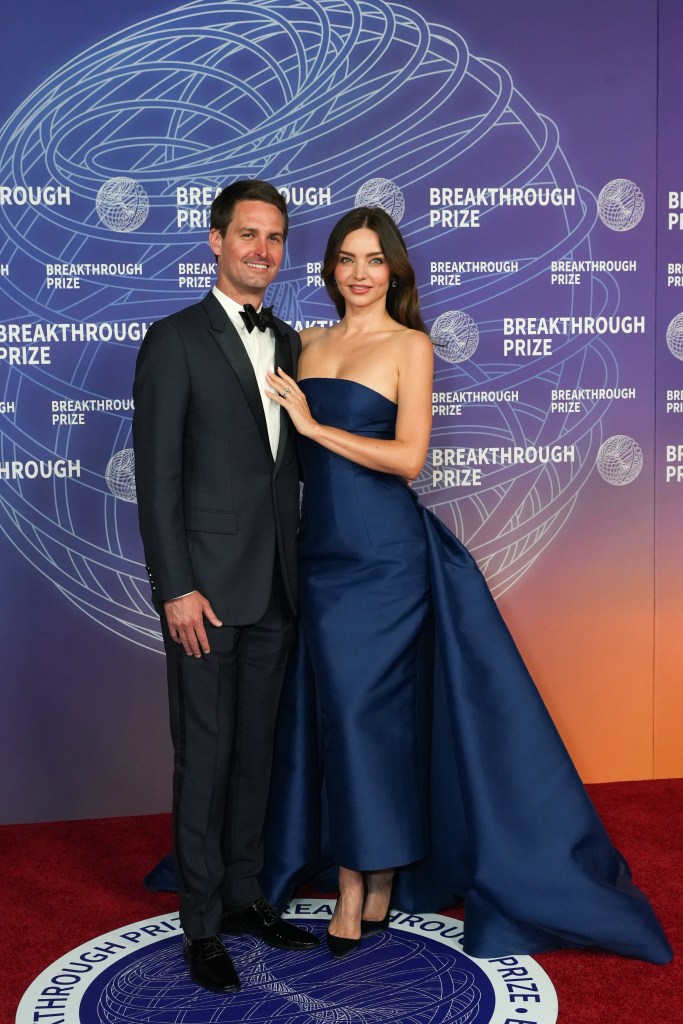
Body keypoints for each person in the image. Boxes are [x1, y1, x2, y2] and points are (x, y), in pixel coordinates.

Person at [260, 206, 672, 965]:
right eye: (346, 259)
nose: (358, 273)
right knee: (343, 724)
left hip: (387, 560)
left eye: (373, 259)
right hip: (319, 560)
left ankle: (359, 885)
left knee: (362, 721)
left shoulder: (409, 346)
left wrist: (315, 429)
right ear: (329, 270)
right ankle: (375, 873)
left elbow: (408, 458)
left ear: (394, 271)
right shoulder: (306, 343)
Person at [132, 179, 318, 995]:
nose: (261, 251)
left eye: (274, 238)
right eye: (247, 234)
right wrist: (175, 587)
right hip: (203, 594)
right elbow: (157, 477)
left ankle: (244, 896)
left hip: (276, 588)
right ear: (215, 240)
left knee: (254, 759)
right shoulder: (173, 339)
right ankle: (201, 925)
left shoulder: (290, 340)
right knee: (203, 760)